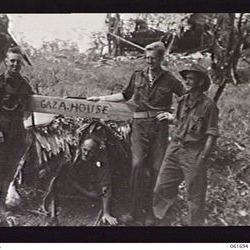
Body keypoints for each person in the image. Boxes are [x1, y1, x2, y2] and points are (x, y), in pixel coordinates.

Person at [87, 41, 184, 225]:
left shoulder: (169, 79)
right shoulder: (137, 75)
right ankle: (133, 211)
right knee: (137, 165)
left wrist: (174, 116)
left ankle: (151, 212)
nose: (149, 62)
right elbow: (125, 95)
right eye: (147, 58)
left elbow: (186, 98)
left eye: (153, 59)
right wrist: (101, 98)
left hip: (159, 128)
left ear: (161, 59)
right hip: (139, 126)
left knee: (156, 168)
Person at [153, 64, 219, 226]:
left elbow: (212, 134)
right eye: (186, 79)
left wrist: (203, 157)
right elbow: (179, 121)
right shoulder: (182, 101)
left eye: (191, 79)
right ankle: (161, 220)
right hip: (175, 148)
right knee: (162, 186)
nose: (187, 82)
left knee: (194, 195)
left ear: (201, 82)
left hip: (194, 152)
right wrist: (169, 118)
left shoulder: (209, 106)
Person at [0, 46, 34, 216]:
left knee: (11, 166)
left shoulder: (24, 84)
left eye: (18, 62)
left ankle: (1, 203)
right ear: (6, 62)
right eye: (12, 61)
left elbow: (29, 105)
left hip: (17, 128)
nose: (15, 65)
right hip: (0, 126)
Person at [70, 137, 118, 225]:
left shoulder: (101, 160)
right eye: (84, 150)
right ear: (81, 146)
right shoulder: (72, 156)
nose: (86, 153)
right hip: (80, 186)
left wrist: (106, 213)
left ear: (96, 152)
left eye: (90, 152)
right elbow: (70, 180)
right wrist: (87, 193)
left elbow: (106, 185)